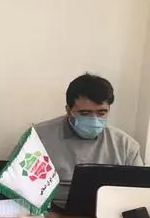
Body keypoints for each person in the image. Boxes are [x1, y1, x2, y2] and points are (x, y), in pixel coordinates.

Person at [34, 73, 143, 205]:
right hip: (50, 212)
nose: (94, 119)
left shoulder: (126, 146)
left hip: (108, 212)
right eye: (85, 113)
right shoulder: (39, 137)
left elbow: (139, 194)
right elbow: (19, 188)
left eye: (101, 113)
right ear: (68, 110)